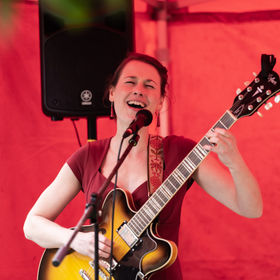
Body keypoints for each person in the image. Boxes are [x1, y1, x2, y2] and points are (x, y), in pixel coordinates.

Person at [23, 53, 263, 279]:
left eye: (149, 85)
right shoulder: (87, 156)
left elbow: (251, 208)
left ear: (160, 102)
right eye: (130, 82)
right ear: (112, 94)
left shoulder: (181, 152)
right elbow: (32, 224)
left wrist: (234, 162)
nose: (139, 90)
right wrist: (74, 240)